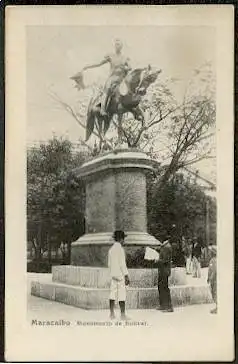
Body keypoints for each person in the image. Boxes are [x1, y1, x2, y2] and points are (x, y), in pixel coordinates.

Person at [81, 38, 131, 116]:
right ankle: (103, 109)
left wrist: (126, 68)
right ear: (114, 46)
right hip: (112, 78)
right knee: (107, 90)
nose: (117, 46)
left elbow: (130, 67)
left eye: (119, 45)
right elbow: (99, 63)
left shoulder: (125, 57)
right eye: (116, 44)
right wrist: (88, 66)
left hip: (122, 79)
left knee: (130, 90)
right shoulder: (110, 56)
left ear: (122, 46)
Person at [108, 230, 130, 320]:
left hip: (113, 275)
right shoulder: (120, 249)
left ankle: (112, 314)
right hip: (120, 275)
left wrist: (112, 273)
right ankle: (123, 315)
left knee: (112, 294)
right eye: (123, 239)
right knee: (122, 294)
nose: (124, 241)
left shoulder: (111, 249)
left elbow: (109, 264)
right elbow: (122, 264)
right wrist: (126, 275)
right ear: (121, 239)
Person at [156, 237, 174, 312]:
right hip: (162, 270)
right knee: (161, 287)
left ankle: (168, 306)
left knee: (164, 288)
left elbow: (166, 260)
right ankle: (163, 305)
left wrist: (157, 260)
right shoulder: (164, 246)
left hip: (164, 271)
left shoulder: (167, 247)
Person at [207, 245, 217, 314]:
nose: (209, 253)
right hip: (213, 279)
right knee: (213, 293)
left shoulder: (214, 260)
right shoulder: (212, 260)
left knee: (214, 293)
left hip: (214, 280)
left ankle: (218, 307)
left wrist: (210, 279)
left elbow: (214, 271)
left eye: (210, 252)